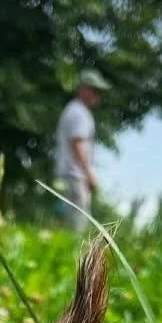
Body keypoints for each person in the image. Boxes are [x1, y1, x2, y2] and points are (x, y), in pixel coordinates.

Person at [55, 70, 108, 231]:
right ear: (83, 89)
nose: (97, 95)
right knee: (77, 227)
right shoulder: (80, 113)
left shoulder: (72, 110)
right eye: (95, 90)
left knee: (67, 223)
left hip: (69, 175)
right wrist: (89, 174)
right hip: (76, 176)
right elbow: (77, 145)